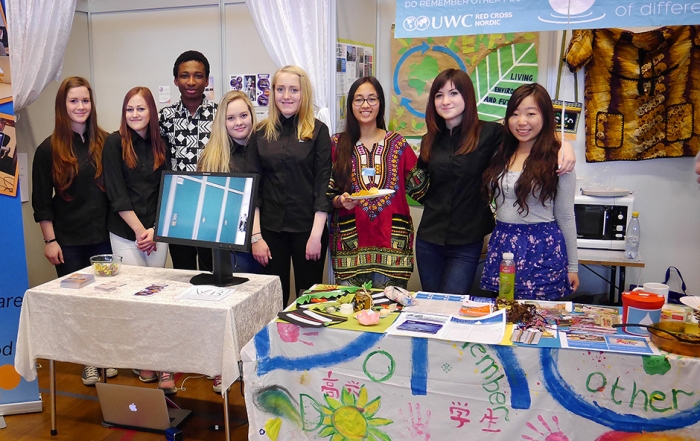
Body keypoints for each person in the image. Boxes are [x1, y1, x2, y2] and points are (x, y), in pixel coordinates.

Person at [413, 68, 576, 295]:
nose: (445, 101)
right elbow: (420, 183)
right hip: (430, 237)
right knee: (431, 304)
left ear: (467, 96)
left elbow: (528, 133)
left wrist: (565, 146)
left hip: (467, 239)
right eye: (439, 95)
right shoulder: (429, 140)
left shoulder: (490, 133)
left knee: (453, 302)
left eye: (453, 93)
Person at [31, 76, 117, 386]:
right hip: (68, 242)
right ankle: (88, 362)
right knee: (79, 304)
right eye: (73, 101)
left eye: (85, 100)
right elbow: (42, 203)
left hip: (104, 238)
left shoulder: (108, 142)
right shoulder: (47, 150)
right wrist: (50, 240)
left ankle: (105, 355)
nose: (80, 106)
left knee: (106, 301)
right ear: (62, 106)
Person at [103, 86, 174, 393]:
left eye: (141, 109)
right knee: (136, 297)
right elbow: (116, 193)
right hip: (125, 233)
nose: (135, 114)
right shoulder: (113, 143)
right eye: (130, 109)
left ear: (151, 112)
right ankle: (145, 360)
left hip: (157, 233)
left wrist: (156, 229)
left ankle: (165, 363)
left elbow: (168, 189)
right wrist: (138, 232)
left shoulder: (162, 143)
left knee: (157, 298)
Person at [480, 83, 579, 300]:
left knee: (537, 318)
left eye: (530, 113)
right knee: (505, 314)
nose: (521, 121)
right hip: (503, 245)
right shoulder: (500, 153)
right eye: (515, 114)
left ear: (545, 117)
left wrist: (573, 266)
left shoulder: (559, 158)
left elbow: (565, 215)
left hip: (542, 248)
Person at [327, 76, 428, 288]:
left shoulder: (397, 144)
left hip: (392, 248)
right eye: (359, 100)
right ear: (350, 105)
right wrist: (340, 200)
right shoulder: (337, 144)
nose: (365, 105)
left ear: (380, 103)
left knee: (389, 316)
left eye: (372, 99)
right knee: (349, 316)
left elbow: (422, 189)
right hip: (350, 248)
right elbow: (326, 193)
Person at [198, 91, 263, 393]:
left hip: (262, 241)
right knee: (228, 309)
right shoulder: (212, 156)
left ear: (252, 115)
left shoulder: (263, 148)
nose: (239, 122)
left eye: (244, 115)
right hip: (230, 246)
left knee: (256, 308)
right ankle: (224, 367)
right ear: (222, 122)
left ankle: (253, 367)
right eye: (231, 117)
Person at [251, 65, 332, 307]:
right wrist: (256, 237)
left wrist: (316, 235)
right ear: (272, 93)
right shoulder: (260, 133)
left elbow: (323, 184)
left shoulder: (318, 132)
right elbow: (255, 189)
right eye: (280, 89)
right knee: (273, 300)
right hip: (270, 232)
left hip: (308, 231)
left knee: (309, 301)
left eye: (293, 90)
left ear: (303, 93)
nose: (286, 96)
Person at [159, 50, 216, 271]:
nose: (191, 81)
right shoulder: (165, 117)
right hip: (178, 208)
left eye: (198, 75)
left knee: (212, 272)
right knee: (182, 273)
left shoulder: (220, 114)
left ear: (206, 80)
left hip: (211, 206)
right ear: (175, 80)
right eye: (184, 75)